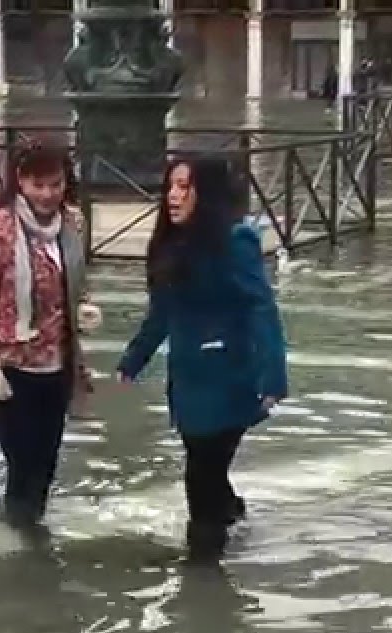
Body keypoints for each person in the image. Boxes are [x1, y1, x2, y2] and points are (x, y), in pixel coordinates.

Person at [115, 154, 288, 560]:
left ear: (205, 194)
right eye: (171, 187)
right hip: (188, 384)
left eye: (184, 187)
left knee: (201, 475)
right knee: (205, 467)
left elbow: (261, 308)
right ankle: (231, 518)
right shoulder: (169, 245)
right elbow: (161, 314)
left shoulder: (235, 241)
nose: (174, 197)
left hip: (229, 381)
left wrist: (273, 377)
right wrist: (131, 362)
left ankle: (204, 570)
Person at [0, 134, 100, 531]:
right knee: (21, 463)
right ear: (20, 181)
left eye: (55, 185)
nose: (47, 194)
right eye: (38, 185)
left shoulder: (71, 223)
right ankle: (15, 540)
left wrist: (84, 305)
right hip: (11, 369)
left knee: (45, 462)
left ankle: (30, 532)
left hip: (57, 365)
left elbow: (73, 280)